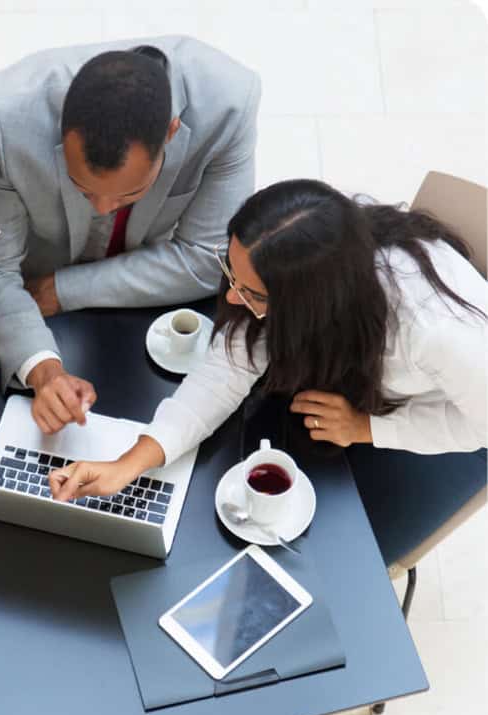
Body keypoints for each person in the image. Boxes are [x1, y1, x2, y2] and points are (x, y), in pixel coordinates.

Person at [49, 179, 487, 514]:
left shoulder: (435, 334)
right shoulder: (294, 245)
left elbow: (480, 429)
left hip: (430, 419)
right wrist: (129, 464)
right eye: (231, 272)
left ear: (308, 304)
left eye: (252, 293)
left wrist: (368, 428)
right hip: (346, 373)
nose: (233, 297)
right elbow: (226, 370)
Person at [0, 36, 260, 436]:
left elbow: (210, 258)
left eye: (129, 193)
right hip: (32, 294)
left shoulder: (229, 103)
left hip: (145, 299)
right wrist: (44, 371)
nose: (101, 207)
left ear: (170, 132)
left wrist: (64, 289)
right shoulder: (6, 114)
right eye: (83, 188)